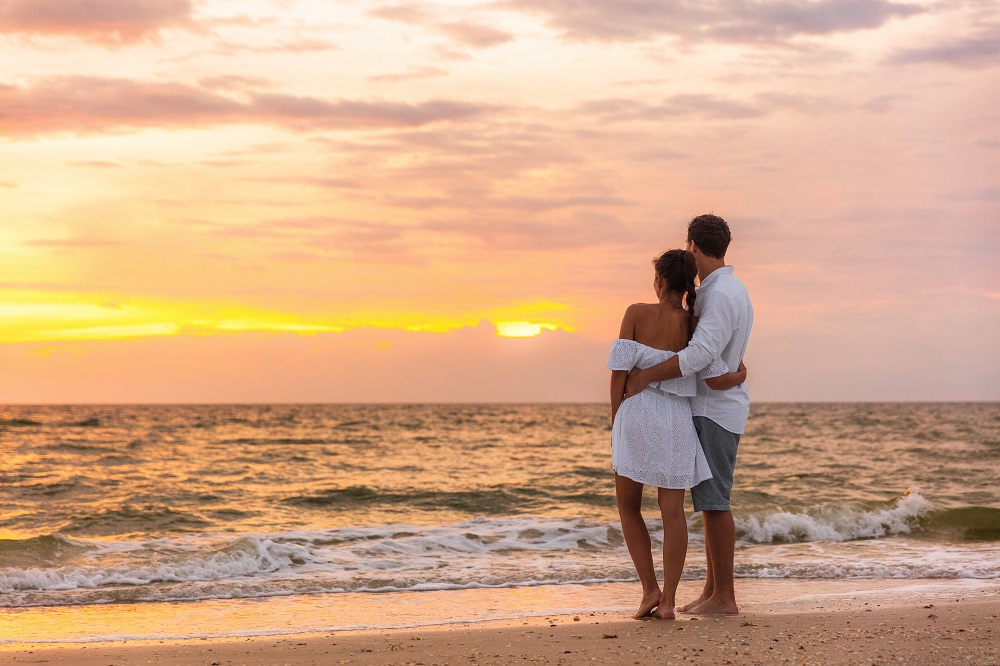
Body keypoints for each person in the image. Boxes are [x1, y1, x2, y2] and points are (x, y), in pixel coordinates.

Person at [624, 214, 754, 616]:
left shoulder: (719, 294)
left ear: (693, 247)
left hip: (713, 412)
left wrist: (646, 376)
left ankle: (725, 597)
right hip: (715, 406)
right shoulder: (729, 289)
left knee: (715, 503)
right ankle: (712, 590)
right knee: (709, 501)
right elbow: (720, 351)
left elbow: (699, 355)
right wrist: (736, 374)